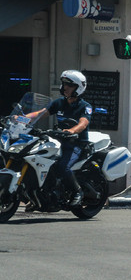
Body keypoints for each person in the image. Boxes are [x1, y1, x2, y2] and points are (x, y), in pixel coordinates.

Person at [25, 70, 92, 206]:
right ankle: (40, 194)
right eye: (64, 84)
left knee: (63, 167)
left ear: (79, 88)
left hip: (76, 144)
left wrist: (72, 131)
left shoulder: (85, 106)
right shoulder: (59, 102)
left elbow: (83, 123)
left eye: (69, 85)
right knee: (38, 160)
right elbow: (40, 113)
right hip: (58, 142)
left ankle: (77, 192)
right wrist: (20, 119)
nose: (65, 87)